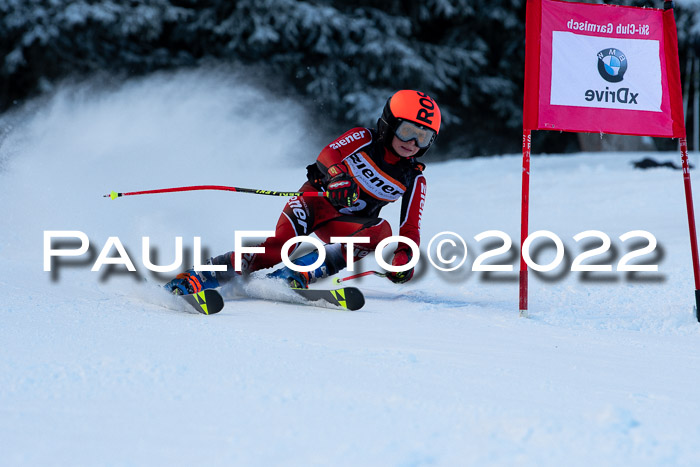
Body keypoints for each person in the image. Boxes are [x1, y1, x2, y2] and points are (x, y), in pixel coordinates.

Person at [165, 89, 441, 295]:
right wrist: (337, 176)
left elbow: (411, 227)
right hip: (313, 204)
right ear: (390, 123)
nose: (413, 143)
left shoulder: (414, 178)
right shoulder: (364, 138)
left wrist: (404, 258)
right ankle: (200, 276)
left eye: (423, 137)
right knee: (279, 248)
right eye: (407, 131)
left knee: (381, 231)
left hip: (341, 224)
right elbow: (329, 153)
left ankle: (298, 273)